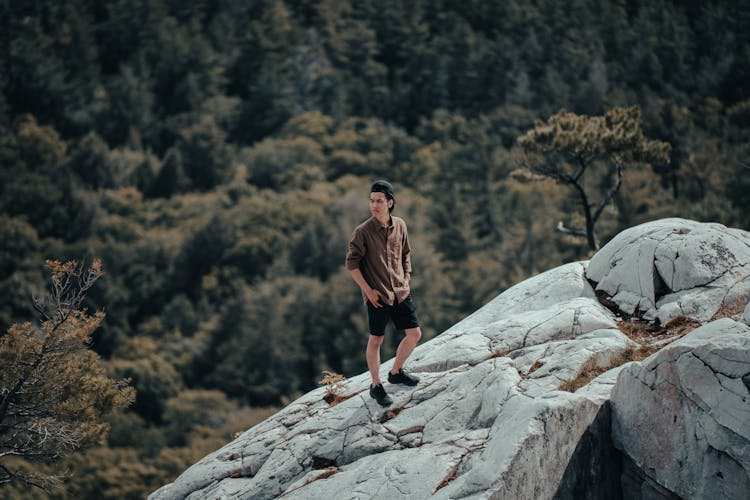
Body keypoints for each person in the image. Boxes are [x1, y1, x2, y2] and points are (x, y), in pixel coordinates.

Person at [345, 180, 422, 407]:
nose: (374, 205)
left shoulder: (400, 225)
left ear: (390, 203)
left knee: (414, 334)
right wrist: (368, 291)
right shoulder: (362, 232)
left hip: (400, 290)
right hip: (377, 295)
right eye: (371, 201)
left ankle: (396, 372)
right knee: (377, 339)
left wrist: (406, 277)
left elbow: (406, 253)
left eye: (379, 201)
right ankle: (376, 385)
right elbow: (352, 265)